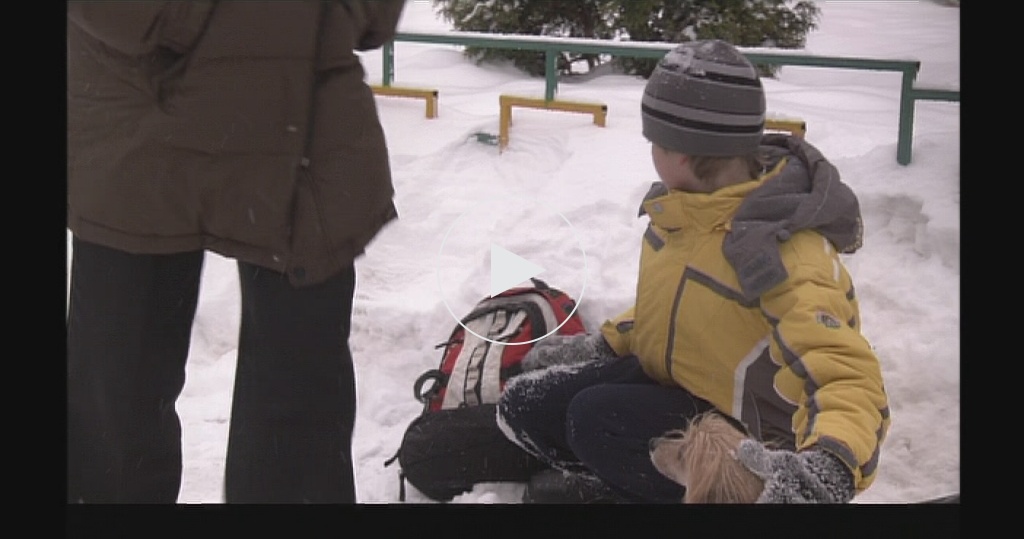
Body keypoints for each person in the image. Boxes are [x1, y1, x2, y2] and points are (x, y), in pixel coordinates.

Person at [496, 39, 891, 504]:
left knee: (593, 418)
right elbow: (671, 314)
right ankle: (622, 480)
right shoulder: (687, 214)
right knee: (525, 404)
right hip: (681, 385)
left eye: (653, 142)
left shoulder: (782, 251)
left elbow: (847, 377)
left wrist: (825, 470)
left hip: (748, 439)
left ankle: (654, 494)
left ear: (680, 153)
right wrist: (604, 344)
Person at [66, 0, 407, 503]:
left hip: (310, 107)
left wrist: (332, 16)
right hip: (138, 107)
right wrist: (176, 16)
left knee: (300, 413)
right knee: (117, 411)